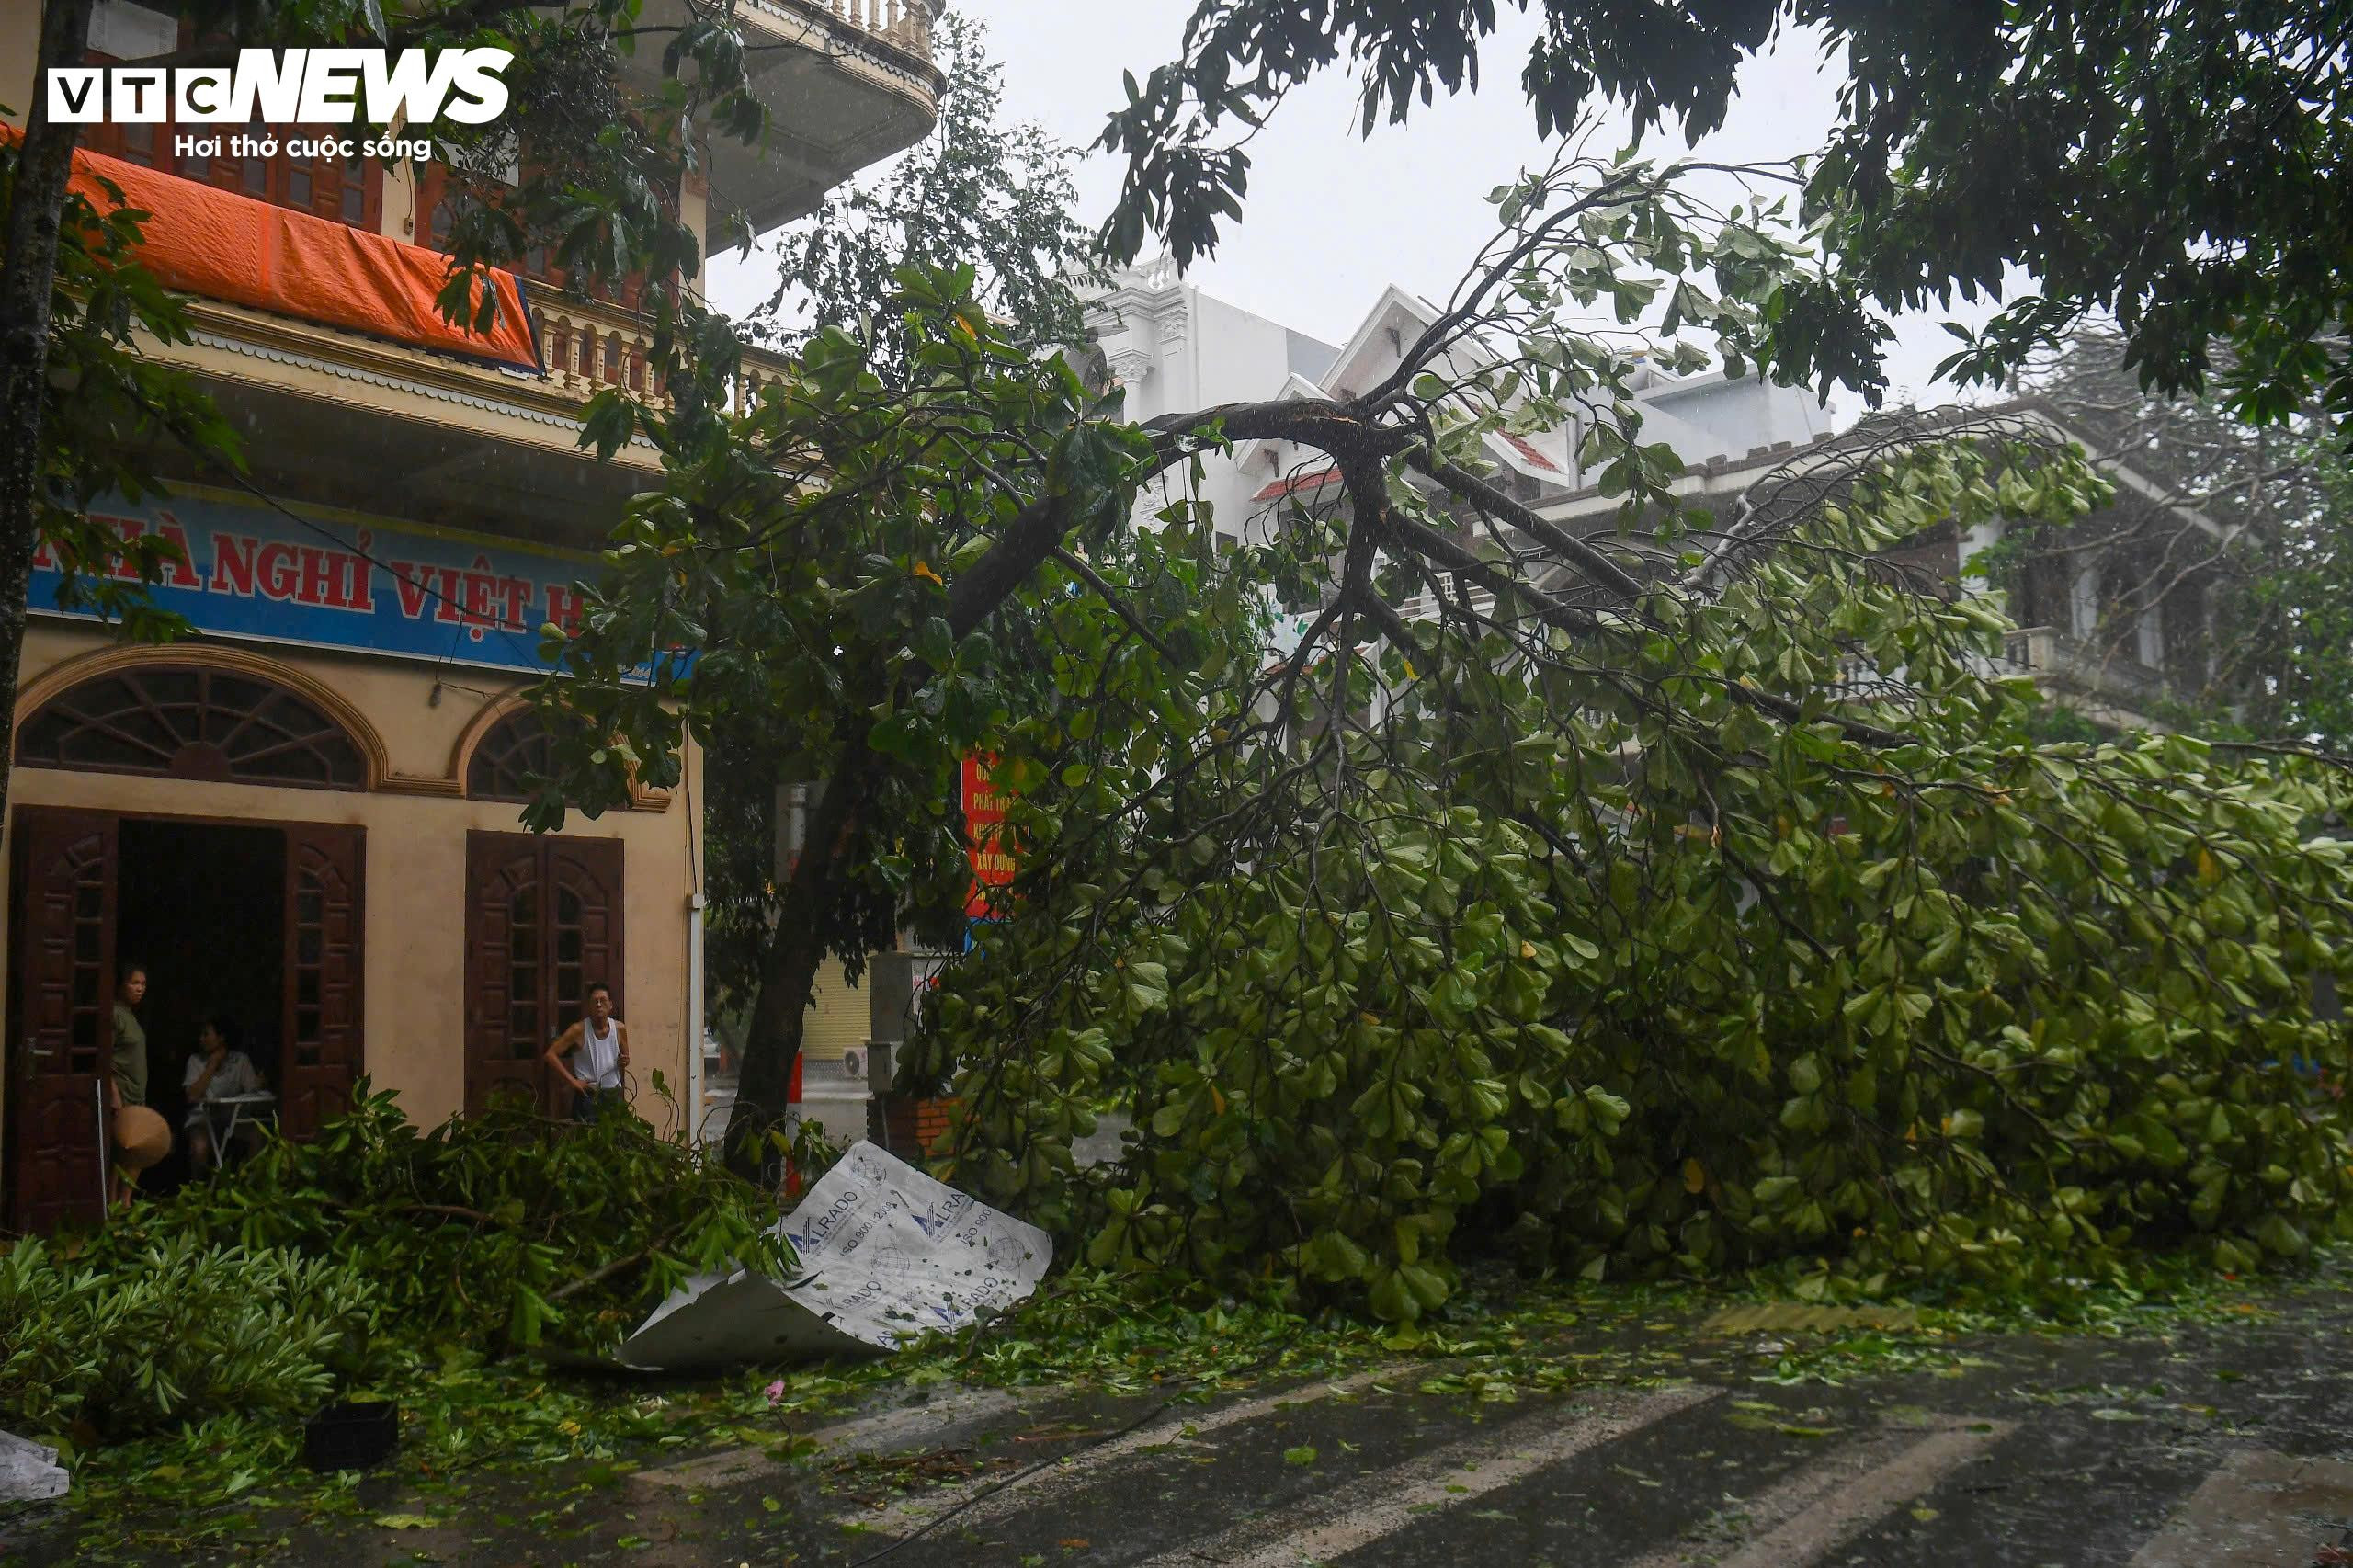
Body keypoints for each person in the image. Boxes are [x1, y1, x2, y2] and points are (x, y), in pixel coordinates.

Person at [183, 1017, 267, 1169]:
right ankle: (199, 1188)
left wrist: (259, 1082)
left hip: (233, 1116)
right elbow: (192, 1096)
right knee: (199, 1147)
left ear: (221, 1038)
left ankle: (250, 1185)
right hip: (203, 1117)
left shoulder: (240, 1060)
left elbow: (253, 1091)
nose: (201, 1039)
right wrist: (212, 1065)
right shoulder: (195, 1061)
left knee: (257, 1136)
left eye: (206, 1034)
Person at [542, 982, 628, 1122]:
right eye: (595, 1001)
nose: (599, 1005)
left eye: (603, 1000)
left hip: (613, 1095)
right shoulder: (579, 1030)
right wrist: (573, 1082)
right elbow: (550, 1055)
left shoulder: (619, 1028)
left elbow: (625, 1059)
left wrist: (623, 1061)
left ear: (611, 1005)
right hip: (588, 1097)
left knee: (616, 1140)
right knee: (587, 1140)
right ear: (589, 1006)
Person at [109, 964, 153, 1205]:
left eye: (143, 984)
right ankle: (116, 1203)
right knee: (125, 1150)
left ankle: (124, 1201)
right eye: (134, 983)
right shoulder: (115, 1014)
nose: (139, 989)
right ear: (121, 985)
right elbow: (104, 1057)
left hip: (137, 1093)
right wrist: (113, 1093)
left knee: (135, 1150)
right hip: (122, 1092)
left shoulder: (131, 1015)